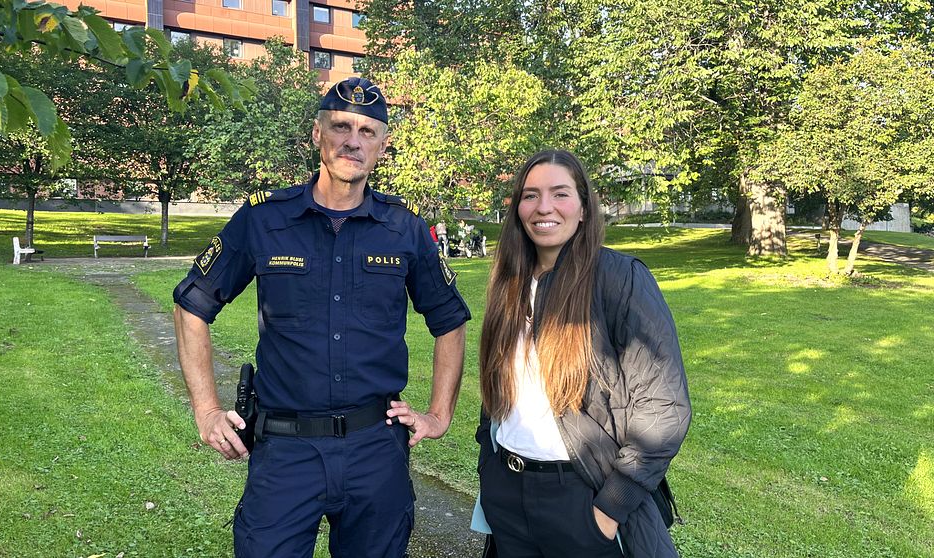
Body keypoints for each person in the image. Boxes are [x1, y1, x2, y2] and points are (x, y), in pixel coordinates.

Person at [172, 77, 471, 558]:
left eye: (368, 131)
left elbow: (449, 319)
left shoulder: (406, 229)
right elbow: (193, 304)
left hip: (376, 449)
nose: (354, 140)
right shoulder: (264, 218)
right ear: (317, 134)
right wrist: (206, 410)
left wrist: (439, 413)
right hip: (285, 452)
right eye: (341, 126)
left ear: (383, 144)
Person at [470, 150, 690, 558]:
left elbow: (664, 407)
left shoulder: (620, 280)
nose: (544, 207)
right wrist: (489, 463)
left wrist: (610, 510)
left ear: (585, 208)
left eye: (560, 194)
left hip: (583, 497)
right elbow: (497, 391)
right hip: (508, 494)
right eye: (530, 195)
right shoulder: (510, 283)